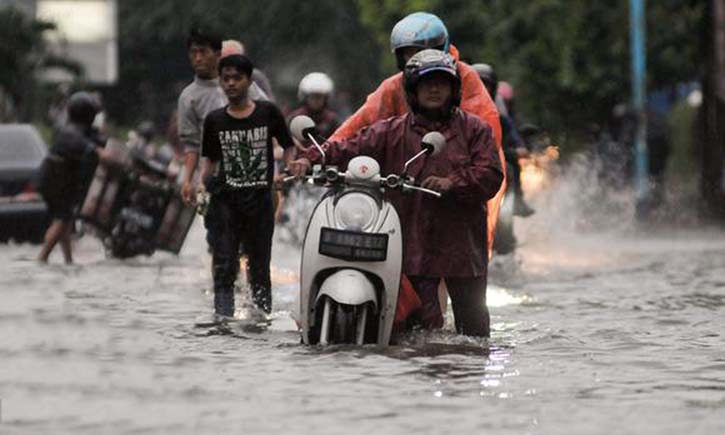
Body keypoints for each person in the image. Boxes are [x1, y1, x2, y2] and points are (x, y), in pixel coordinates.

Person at [290, 50, 504, 336]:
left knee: (474, 330)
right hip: (413, 246)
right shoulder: (391, 131)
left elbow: (491, 174)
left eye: (442, 82)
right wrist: (310, 159)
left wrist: (452, 182)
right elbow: (348, 146)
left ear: (454, 89)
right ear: (413, 90)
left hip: (462, 247)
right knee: (417, 331)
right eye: (427, 83)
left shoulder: (476, 129)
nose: (435, 89)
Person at [328, 11, 506, 254]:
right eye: (409, 53)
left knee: (463, 259)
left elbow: (487, 136)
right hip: (409, 184)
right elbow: (356, 128)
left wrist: (452, 177)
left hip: (461, 186)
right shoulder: (394, 87)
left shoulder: (466, 83)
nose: (417, 59)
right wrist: (315, 155)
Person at [200, 54, 295, 317]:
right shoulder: (215, 120)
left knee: (260, 267)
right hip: (226, 201)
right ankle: (223, 319)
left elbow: (288, 146)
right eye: (225, 79)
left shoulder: (267, 112)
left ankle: (261, 320)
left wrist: (286, 170)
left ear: (248, 80)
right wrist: (200, 188)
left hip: (260, 201)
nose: (231, 84)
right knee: (224, 265)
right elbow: (209, 161)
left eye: (237, 78)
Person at [178, 28, 268, 206]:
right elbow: (192, 145)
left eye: (203, 52)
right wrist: (187, 180)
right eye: (193, 53)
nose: (198, 58)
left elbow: (268, 117)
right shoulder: (189, 97)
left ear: (217, 54)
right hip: (215, 180)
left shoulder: (242, 84)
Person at [37, 92, 108, 264]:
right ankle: (42, 257)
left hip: (58, 181)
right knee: (62, 219)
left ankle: (68, 260)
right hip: (55, 182)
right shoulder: (71, 133)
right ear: (87, 115)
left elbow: (100, 141)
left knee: (66, 220)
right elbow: (99, 153)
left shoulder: (77, 130)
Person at [473, 63, 534, 216]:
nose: (482, 88)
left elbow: (511, 131)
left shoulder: (498, 112)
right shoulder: (458, 110)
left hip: (495, 157)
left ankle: (518, 201)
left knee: (511, 166)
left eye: (486, 84)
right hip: (468, 161)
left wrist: (520, 146)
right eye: (478, 83)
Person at [287, 72, 341, 140]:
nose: (316, 101)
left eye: (319, 97)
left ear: (326, 98)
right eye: (313, 97)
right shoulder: (295, 118)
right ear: (306, 97)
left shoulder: (332, 120)